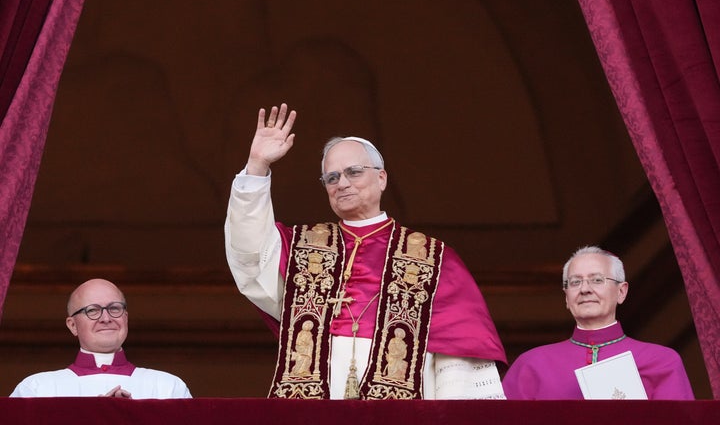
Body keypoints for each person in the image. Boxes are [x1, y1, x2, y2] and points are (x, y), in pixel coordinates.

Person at [224, 103, 507, 400]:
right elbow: (250, 253)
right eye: (331, 178)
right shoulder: (302, 249)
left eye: (354, 172)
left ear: (381, 178)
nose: (342, 183)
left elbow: (459, 358)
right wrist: (257, 166)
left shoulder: (434, 259)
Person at [502, 245, 694, 399]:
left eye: (596, 280)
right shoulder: (531, 365)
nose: (585, 289)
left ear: (621, 292)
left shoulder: (661, 361)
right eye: (575, 282)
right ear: (566, 297)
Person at [10, 278, 191, 399]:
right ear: (72, 325)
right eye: (93, 310)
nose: (106, 318)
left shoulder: (168, 388)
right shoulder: (37, 390)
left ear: (125, 317)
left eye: (114, 308)